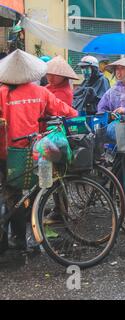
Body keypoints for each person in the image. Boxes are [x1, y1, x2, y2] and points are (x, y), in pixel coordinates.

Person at [0, 50, 77, 254]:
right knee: (26, 192)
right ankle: (19, 237)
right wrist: (78, 117)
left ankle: (13, 239)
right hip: (33, 152)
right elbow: (66, 111)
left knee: (11, 194)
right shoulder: (40, 92)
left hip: (7, 153)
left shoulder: (3, 93)